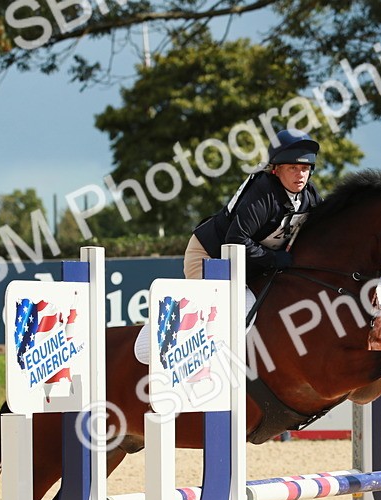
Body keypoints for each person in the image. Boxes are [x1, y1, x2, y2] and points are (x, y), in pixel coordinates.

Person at [134, 129, 322, 363]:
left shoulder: (310, 197)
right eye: (292, 168)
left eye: (305, 169)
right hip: (211, 257)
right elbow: (236, 239)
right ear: (276, 169)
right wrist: (273, 259)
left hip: (248, 264)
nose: (300, 175)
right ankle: (168, 334)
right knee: (233, 310)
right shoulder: (263, 193)